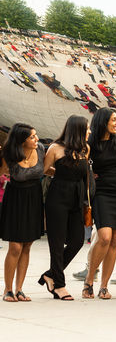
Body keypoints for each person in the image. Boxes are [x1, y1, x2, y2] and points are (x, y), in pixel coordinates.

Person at [39, 115, 90, 301]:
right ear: (77, 130)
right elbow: (45, 169)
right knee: (57, 243)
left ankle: (50, 274)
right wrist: (59, 172)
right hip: (57, 196)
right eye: (87, 129)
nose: (90, 132)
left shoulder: (86, 149)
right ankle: (59, 285)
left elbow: (84, 174)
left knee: (77, 240)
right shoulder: (55, 148)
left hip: (76, 198)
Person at [82, 108, 116, 300]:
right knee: (104, 237)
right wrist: (89, 175)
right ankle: (89, 280)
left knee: (115, 240)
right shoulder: (90, 142)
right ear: (103, 121)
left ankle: (103, 286)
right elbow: (83, 166)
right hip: (101, 191)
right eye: (114, 120)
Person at [0, 124, 45, 302]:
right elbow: (2, 171)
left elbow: (46, 169)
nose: (37, 139)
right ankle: (8, 289)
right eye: (32, 137)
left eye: (36, 135)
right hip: (15, 198)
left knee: (27, 245)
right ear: (22, 140)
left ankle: (20, 289)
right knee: (15, 246)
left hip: (33, 197)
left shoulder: (41, 150)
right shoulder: (9, 154)